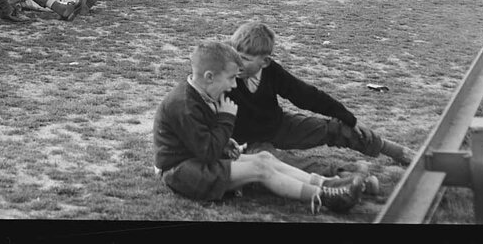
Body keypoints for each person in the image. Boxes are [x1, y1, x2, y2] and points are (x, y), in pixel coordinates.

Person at [153, 40, 366, 214]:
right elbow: (207, 152)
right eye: (230, 78)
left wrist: (225, 143)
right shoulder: (184, 104)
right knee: (260, 169)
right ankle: (325, 197)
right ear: (209, 76)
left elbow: (201, 139)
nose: (233, 86)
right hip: (181, 172)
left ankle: (327, 184)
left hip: (196, 161)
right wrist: (226, 119)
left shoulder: (201, 94)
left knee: (265, 158)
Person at [227, 21, 414, 176]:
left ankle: (395, 151)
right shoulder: (224, 75)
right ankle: (344, 174)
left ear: (265, 62)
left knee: (335, 128)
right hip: (246, 141)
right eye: (235, 56)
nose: (237, 63)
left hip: (277, 125)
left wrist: (348, 117)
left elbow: (305, 95)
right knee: (278, 164)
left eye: (245, 59)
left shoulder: (272, 71)